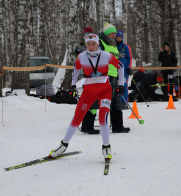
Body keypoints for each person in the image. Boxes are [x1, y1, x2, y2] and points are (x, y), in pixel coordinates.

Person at [49, 33, 125, 161]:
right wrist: (73, 86)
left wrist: (121, 85)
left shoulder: (106, 55)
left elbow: (121, 67)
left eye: (93, 44)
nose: (90, 47)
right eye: (88, 44)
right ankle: (63, 145)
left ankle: (106, 147)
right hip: (89, 91)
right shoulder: (81, 57)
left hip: (105, 90)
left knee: (103, 119)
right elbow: (76, 69)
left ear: (98, 44)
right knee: (77, 119)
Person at [116, 30, 132, 109]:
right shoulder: (114, 46)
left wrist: (129, 67)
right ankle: (117, 101)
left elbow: (130, 57)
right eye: (117, 37)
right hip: (116, 69)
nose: (118, 39)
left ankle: (124, 102)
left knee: (124, 85)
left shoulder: (126, 46)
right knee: (116, 85)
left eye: (120, 37)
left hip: (124, 70)